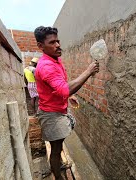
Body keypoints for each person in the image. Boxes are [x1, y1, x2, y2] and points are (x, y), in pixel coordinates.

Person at [34, 26, 99, 180]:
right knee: (56, 149)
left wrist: (68, 96)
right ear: (41, 46)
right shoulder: (47, 66)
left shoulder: (56, 60)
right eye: (52, 42)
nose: (57, 45)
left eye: (58, 41)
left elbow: (59, 86)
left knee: (59, 143)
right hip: (51, 115)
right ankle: (58, 176)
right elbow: (63, 89)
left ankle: (57, 166)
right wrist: (88, 71)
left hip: (58, 109)